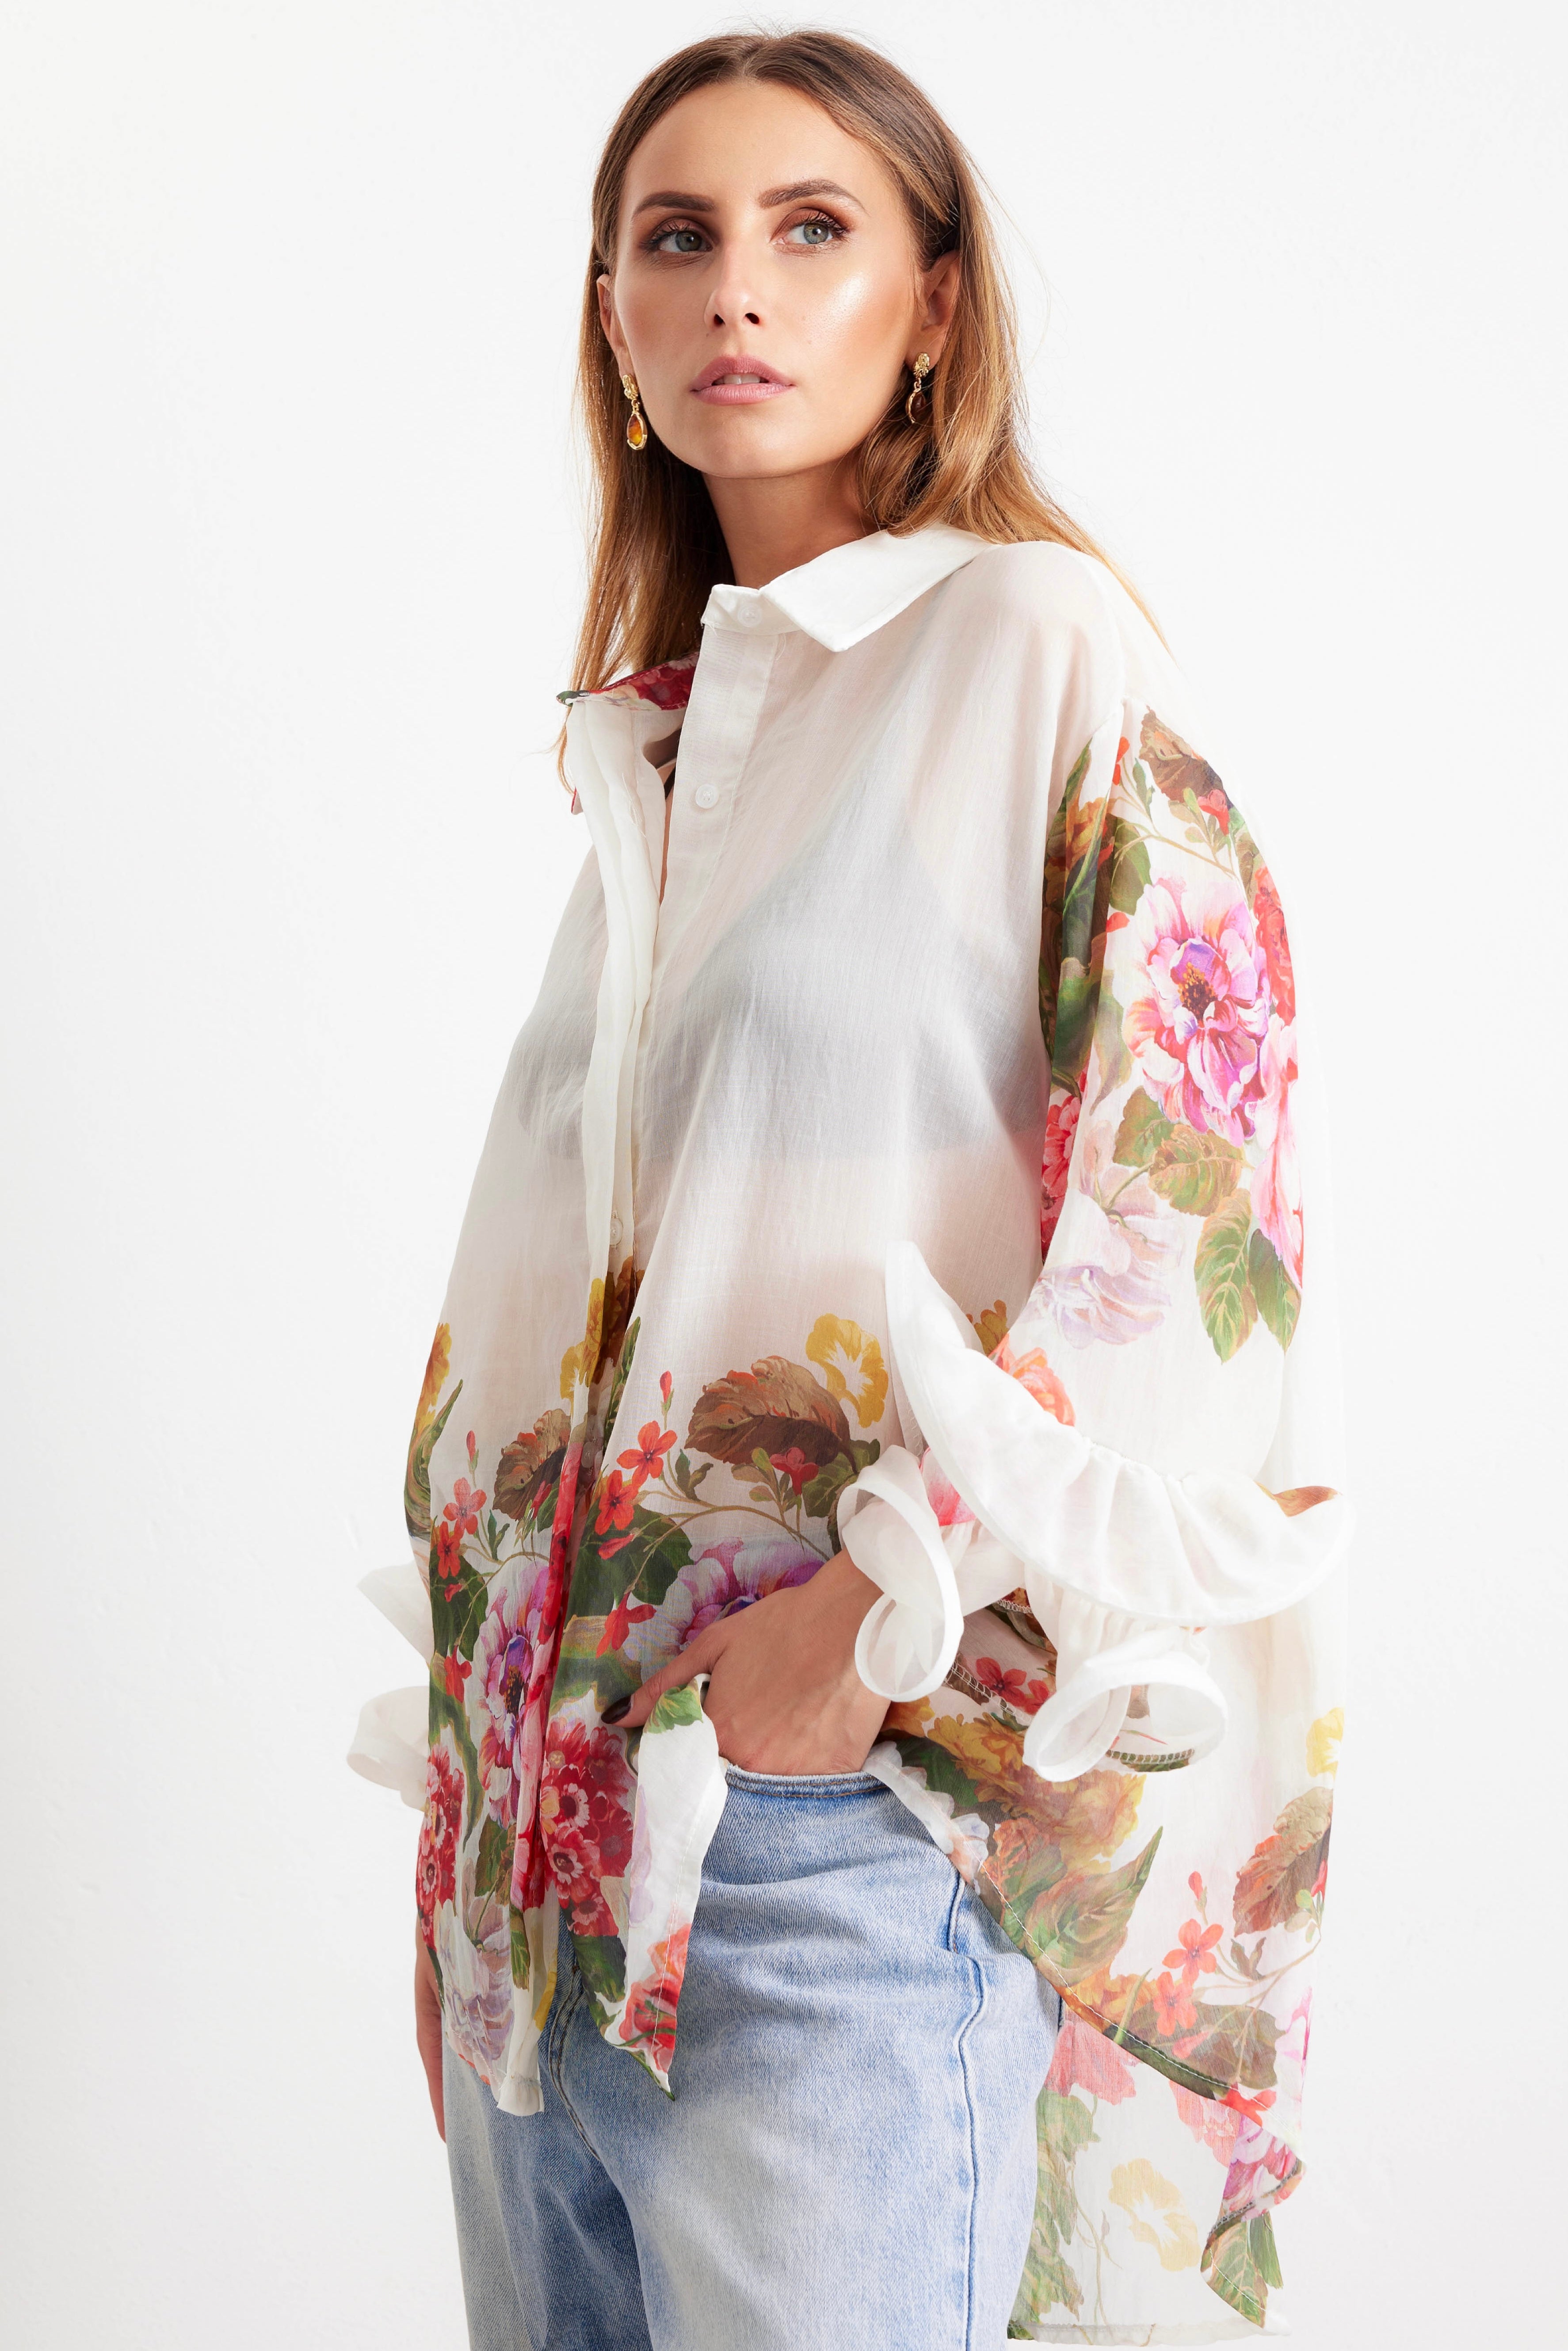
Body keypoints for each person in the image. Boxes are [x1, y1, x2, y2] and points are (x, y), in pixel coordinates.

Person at [350, 30, 1350, 2350]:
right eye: (677, 237)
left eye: (813, 229)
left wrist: (861, 1622)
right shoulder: (658, 748)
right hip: (543, 1865)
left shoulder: (1031, 648)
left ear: (933, 303)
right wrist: (485, 1790)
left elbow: (1194, 1212)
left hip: (821, 1856)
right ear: (613, 322)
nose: (738, 287)